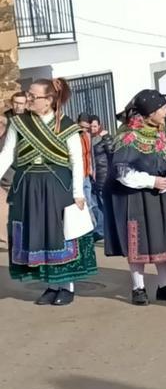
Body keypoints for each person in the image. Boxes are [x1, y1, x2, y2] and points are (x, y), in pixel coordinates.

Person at [0, 78, 97, 305]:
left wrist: (78, 193)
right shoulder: (19, 123)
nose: (29, 100)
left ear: (49, 100)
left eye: (34, 97)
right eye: (28, 95)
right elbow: (7, 154)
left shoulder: (67, 126)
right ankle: (51, 286)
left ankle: (67, 286)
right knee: (39, 234)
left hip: (57, 186)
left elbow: (76, 162)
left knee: (61, 234)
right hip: (28, 185)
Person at [104, 90, 166, 306]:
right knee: (137, 241)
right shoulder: (128, 136)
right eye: (163, 108)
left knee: (162, 239)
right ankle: (138, 287)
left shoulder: (161, 133)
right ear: (150, 112)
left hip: (160, 195)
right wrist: (151, 181)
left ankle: (164, 286)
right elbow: (122, 172)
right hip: (135, 196)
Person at [76, 114, 99, 241]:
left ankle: (93, 228)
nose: (84, 130)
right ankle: (91, 228)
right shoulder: (73, 136)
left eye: (87, 128)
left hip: (86, 174)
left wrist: (92, 169)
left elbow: (90, 155)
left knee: (90, 203)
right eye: (82, 127)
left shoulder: (87, 136)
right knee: (84, 203)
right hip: (78, 175)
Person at [89, 115, 112, 240]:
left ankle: (104, 231)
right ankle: (100, 229)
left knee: (104, 204)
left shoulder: (103, 138)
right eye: (91, 126)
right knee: (95, 205)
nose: (92, 129)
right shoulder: (87, 139)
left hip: (103, 176)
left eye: (95, 126)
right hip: (92, 178)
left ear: (99, 126)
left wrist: (106, 137)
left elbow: (111, 153)